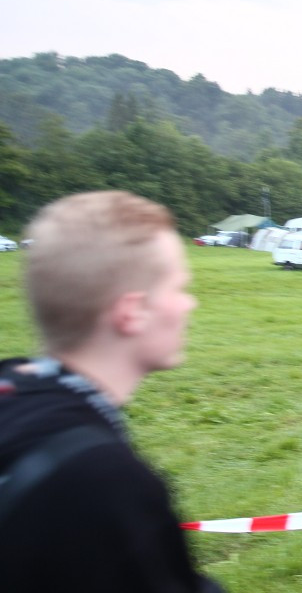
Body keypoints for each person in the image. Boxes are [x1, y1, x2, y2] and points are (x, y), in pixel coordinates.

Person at [0, 191, 225, 592]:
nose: (190, 304)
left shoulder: (12, 392)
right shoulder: (104, 483)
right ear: (131, 312)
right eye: (178, 288)